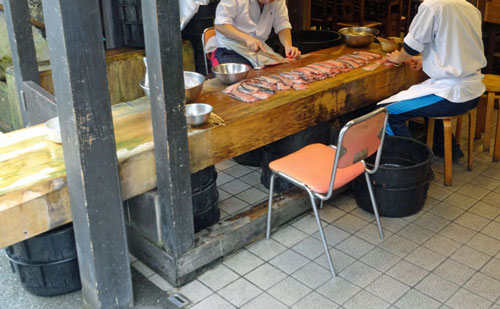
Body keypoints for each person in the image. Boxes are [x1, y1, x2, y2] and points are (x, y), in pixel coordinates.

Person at [379, 0, 486, 159]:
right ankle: (446, 149)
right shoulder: (469, 7)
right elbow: (457, 46)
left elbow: (410, 48)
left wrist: (398, 58)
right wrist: (426, 60)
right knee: (419, 98)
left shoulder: (432, 6)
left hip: (452, 94)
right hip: (474, 88)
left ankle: (415, 165)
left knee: (384, 114)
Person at [212, 0, 301, 68]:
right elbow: (221, 25)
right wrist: (246, 38)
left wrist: (288, 46)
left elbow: (282, 24)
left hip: (259, 49)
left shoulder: (278, 1)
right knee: (240, 82)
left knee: (281, 71)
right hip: (230, 48)